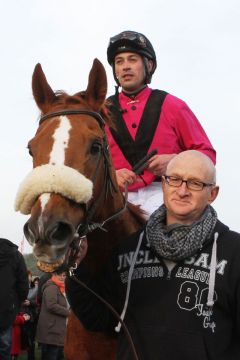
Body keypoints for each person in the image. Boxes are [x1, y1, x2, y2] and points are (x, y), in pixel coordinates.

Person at [66, 150, 240, 359]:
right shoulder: (128, 249)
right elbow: (97, 318)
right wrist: (76, 266)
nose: (182, 191)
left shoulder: (234, 251)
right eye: (174, 179)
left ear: (212, 193)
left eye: (195, 183)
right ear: (164, 184)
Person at [105, 30, 216, 215]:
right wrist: (111, 176)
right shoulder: (100, 111)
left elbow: (207, 155)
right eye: (119, 61)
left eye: (132, 59)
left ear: (148, 65)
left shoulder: (173, 105)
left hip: (166, 193)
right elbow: (83, 163)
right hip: (114, 196)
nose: (125, 67)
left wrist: (175, 161)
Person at [0, 238, 29, 360]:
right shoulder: (17, 256)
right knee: (5, 347)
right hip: (7, 308)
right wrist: (20, 299)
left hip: (7, 306)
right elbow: (23, 283)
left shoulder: (16, 256)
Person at [36, 266, 70, 360]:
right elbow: (51, 305)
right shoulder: (52, 287)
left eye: (65, 275)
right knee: (52, 356)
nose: (63, 277)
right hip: (51, 330)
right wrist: (68, 313)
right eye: (61, 275)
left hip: (56, 329)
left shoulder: (60, 287)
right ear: (54, 274)